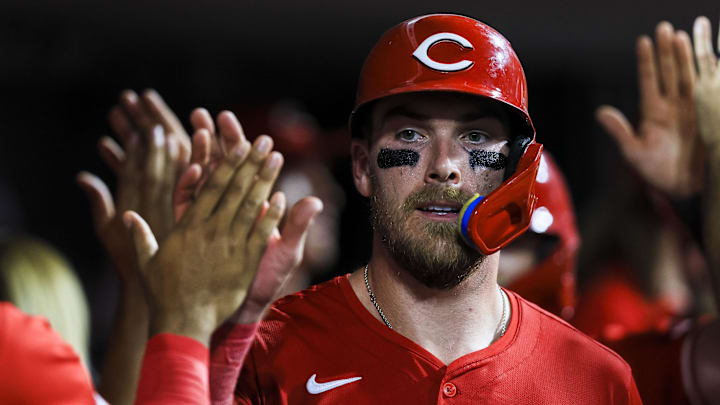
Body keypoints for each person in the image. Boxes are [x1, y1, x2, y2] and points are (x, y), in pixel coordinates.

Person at [181, 14, 641, 404]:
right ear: (362, 167)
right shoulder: (265, 353)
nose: (444, 167)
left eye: (475, 138)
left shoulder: (596, 380)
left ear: (517, 171)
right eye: (410, 136)